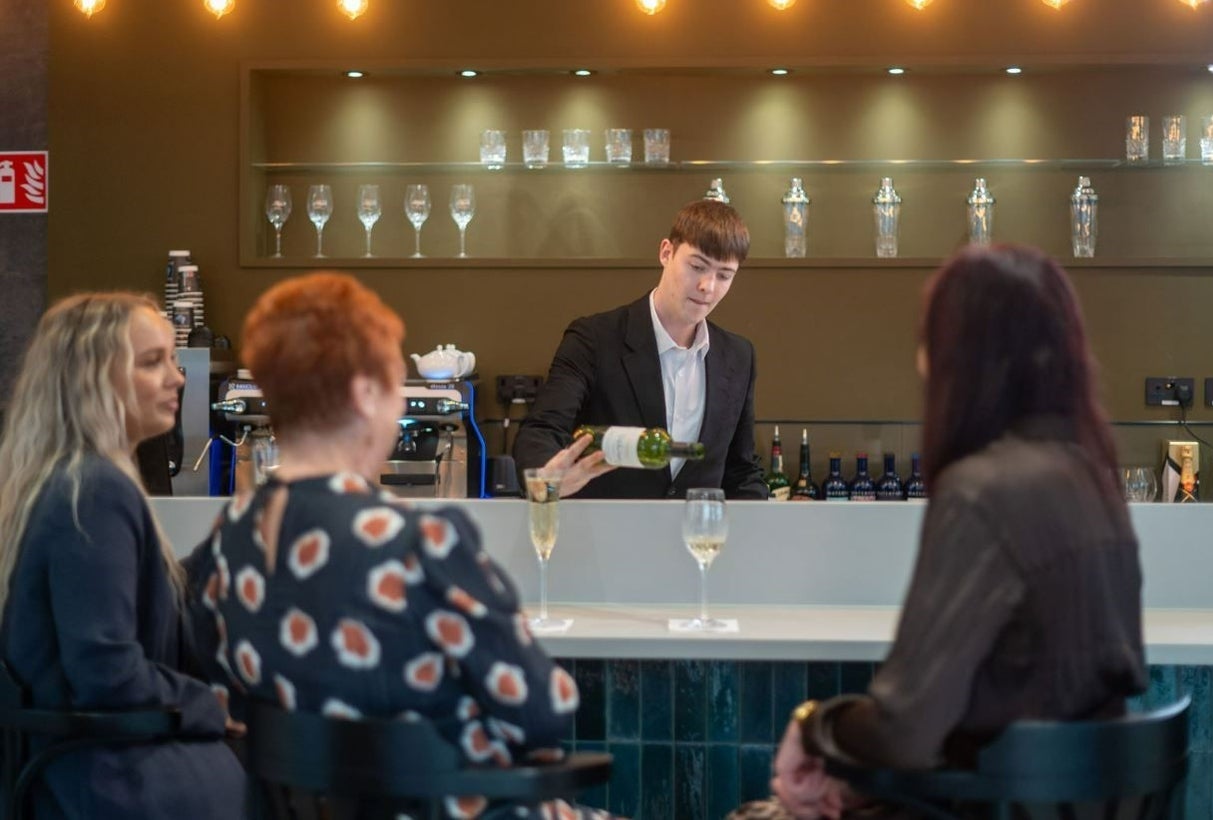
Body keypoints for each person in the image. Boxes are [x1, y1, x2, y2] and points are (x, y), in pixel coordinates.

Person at [740, 245, 1147, 820]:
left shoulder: (979, 493)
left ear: (961, 357)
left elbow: (903, 728)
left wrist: (812, 726)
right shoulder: (1092, 479)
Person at [185, 272, 612, 820]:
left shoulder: (226, 544)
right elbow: (544, 711)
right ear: (365, 394)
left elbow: (229, 705)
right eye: (395, 383)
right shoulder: (419, 543)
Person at [0, 293, 246, 819]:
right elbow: (106, 670)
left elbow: (135, 608)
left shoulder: (68, 481)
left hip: (80, 764)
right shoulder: (94, 489)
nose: (178, 378)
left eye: (174, 361)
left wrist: (229, 541)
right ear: (92, 378)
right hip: (102, 779)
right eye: (152, 362)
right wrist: (210, 706)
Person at [513, 199, 768, 499]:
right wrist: (547, 478)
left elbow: (740, 469)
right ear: (666, 253)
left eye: (724, 275)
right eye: (697, 266)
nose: (708, 287)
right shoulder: (594, 338)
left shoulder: (738, 356)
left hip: (693, 542)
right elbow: (541, 430)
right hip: (606, 538)